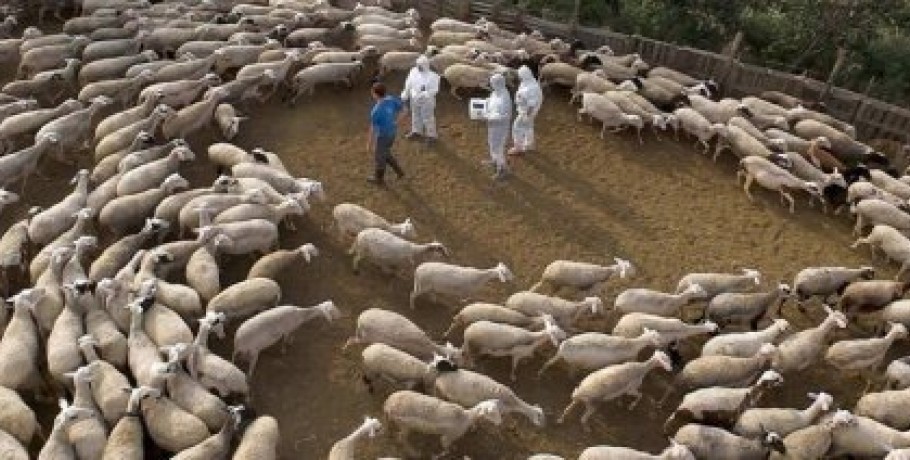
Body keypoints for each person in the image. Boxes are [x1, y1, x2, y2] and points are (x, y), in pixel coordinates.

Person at [367, 81, 406, 185]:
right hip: (392, 134)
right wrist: (396, 122)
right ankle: (399, 172)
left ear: (375, 94)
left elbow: (373, 129)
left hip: (383, 136)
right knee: (385, 153)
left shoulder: (376, 111)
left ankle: (378, 178)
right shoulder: (391, 99)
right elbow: (405, 110)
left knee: (379, 157)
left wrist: (369, 144)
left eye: (372, 92)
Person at [401, 55, 440, 144]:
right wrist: (405, 93)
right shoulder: (413, 71)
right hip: (414, 98)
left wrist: (425, 94)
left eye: (420, 65)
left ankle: (431, 136)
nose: (418, 67)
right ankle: (416, 131)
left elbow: (435, 89)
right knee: (415, 115)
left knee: (428, 117)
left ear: (426, 65)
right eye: (418, 65)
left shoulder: (434, 76)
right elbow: (408, 83)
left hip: (427, 101)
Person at [509, 65, 543, 156]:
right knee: (528, 127)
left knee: (517, 127)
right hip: (525, 110)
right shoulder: (528, 82)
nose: (519, 77)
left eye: (520, 75)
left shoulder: (532, 88)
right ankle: (529, 145)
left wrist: (527, 115)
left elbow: (532, 103)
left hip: (527, 112)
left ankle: (518, 148)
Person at [484, 73, 513, 180]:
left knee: (498, 147)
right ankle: (494, 160)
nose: (491, 85)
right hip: (492, 124)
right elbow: (490, 103)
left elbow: (505, 116)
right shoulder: (495, 93)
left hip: (500, 127)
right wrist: (485, 105)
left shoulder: (504, 98)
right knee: (491, 143)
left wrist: (491, 118)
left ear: (498, 84)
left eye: (493, 83)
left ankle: (502, 169)